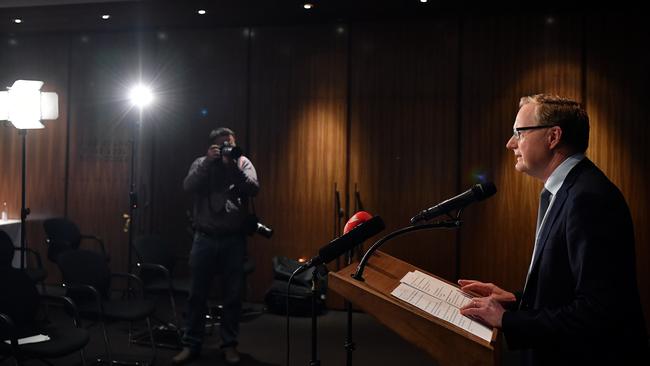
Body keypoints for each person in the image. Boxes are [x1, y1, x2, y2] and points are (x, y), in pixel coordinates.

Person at [459, 94, 648, 365]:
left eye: (519, 133)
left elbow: (596, 311)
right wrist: (515, 300)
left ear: (553, 137)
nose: (510, 143)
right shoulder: (568, 190)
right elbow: (567, 289)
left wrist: (506, 319)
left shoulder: (588, 198)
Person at [173, 127, 259, 365]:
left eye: (229, 144)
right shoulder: (201, 163)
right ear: (211, 147)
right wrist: (207, 164)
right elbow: (188, 186)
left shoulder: (242, 163)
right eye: (221, 146)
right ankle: (191, 344)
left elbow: (254, 189)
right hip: (204, 238)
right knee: (196, 295)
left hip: (233, 239)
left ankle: (229, 345)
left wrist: (234, 169)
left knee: (232, 296)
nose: (226, 149)